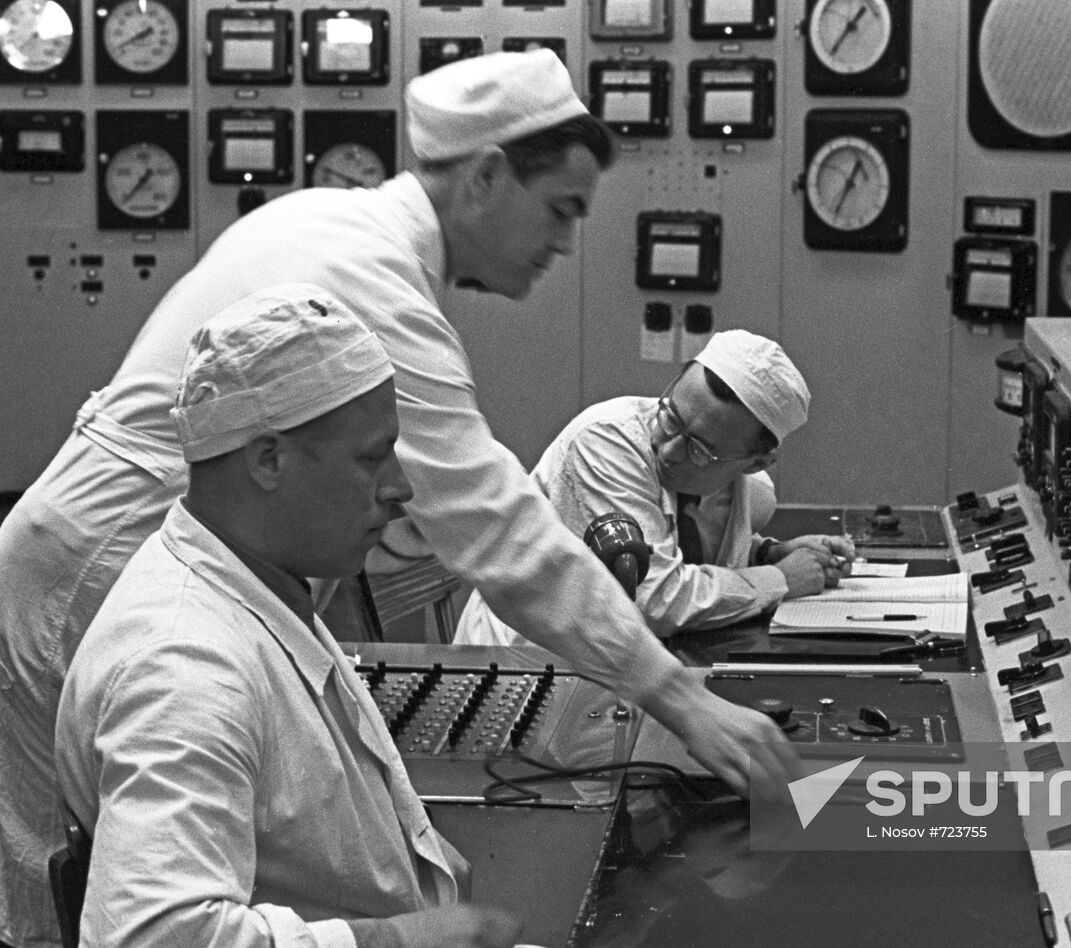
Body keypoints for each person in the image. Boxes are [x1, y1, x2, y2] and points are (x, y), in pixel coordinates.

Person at [0, 50, 795, 947]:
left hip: (166, 568)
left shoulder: (335, 224)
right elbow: (501, 536)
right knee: (54, 905)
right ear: (489, 174)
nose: (567, 243)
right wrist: (681, 701)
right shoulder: (372, 285)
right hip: (100, 578)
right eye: (562, 209)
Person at [55, 287, 522, 948]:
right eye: (370, 457)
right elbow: (151, 937)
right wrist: (398, 938)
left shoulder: (256, 583)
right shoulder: (183, 667)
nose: (400, 485)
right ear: (268, 459)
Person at [456, 330, 855, 643]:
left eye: (700, 450)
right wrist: (780, 580)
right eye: (671, 417)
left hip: (612, 669)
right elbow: (657, 599)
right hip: (524, 668)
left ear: (753, 463)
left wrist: (767, 553)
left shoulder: (748, 487)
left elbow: (680, 542)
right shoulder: (605, 444)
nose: (668, 449)